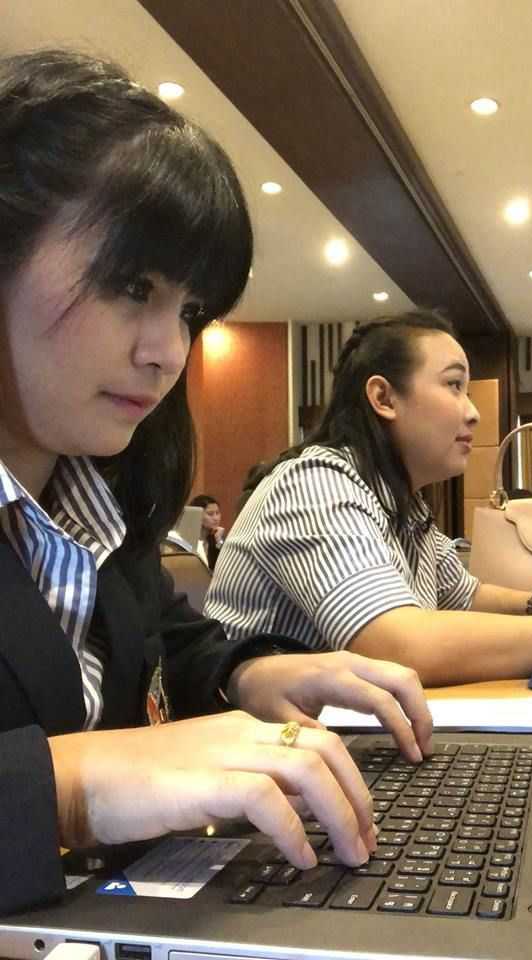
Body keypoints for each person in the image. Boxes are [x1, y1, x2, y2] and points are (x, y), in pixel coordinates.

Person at [0, 49, 433, 917]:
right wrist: (70, 784)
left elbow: (166, 645)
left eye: (190, 312)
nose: (168, 352)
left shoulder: (98, 498)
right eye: (132, 286)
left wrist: (252, 675)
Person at [207, 312, 532, 685]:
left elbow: (465, 595)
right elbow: (399, 647)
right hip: (256, 740)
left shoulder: (402, 503)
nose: (473, 412)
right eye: (454, 385)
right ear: (384, 398)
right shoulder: (315, 484)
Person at [189, 493, 224, 569]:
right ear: (197, 515)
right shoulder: (188, 539)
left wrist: (219, 541)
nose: (216, 518)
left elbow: (226, 562)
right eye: (210, 514)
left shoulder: (217, 538)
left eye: (217, 513)